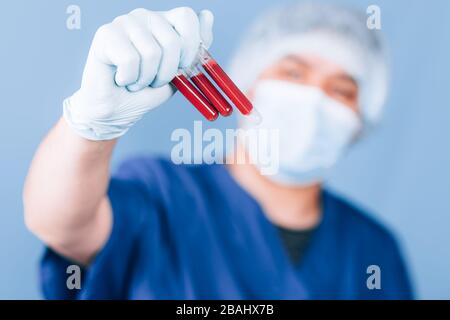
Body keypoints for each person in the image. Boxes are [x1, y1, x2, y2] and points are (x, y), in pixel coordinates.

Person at [24, 3, 413, 299]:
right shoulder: (161, 192)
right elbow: (62, 225)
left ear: (362, 119)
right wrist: (92, 124)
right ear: (246, 83)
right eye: (293, 73)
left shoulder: (373, 249)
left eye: (341, 90)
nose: (312, 99)